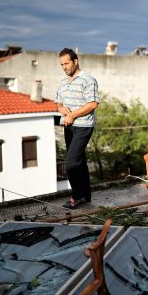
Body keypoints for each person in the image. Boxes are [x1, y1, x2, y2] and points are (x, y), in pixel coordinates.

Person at [55, 48, 100, 209]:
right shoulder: (63, 82)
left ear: (75, 61)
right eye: (62, 64)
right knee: (80, 162)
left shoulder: (88, 80)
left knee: (71, 163)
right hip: (68, 126)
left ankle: (76, 196)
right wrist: (61, 109)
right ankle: (85, 196)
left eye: (66, 63)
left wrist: (72, 115)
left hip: (83, 126)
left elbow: (93, 104)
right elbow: (58, 103)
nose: (64, 67)